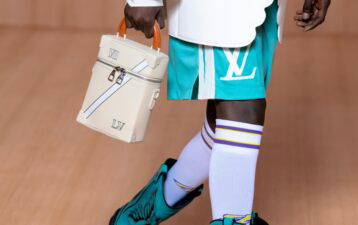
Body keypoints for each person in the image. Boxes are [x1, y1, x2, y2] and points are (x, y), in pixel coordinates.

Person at [109, 0, 331, 225]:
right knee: (244, 109)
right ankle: (234, 219)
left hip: (263, 9)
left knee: (226, 126)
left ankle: (139, 213)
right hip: (214, 10)